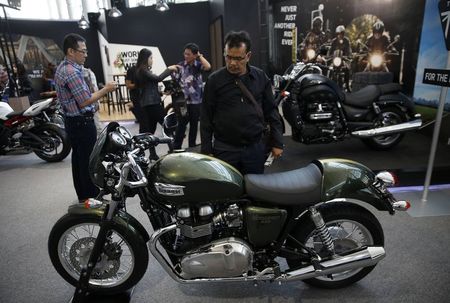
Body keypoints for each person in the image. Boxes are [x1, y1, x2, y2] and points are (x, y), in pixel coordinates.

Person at [200, 30, 283, 175]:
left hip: (255, 148)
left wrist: (277, 142)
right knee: (227, 193)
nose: (232, 63)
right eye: (228, 57)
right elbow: (206, 116)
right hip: (225, 149)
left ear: (248, 56)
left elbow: (271, 110)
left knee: (256, 190)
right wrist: (207, 150)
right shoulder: (214, 81)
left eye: (238, 58)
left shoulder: (260, 77)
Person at [55, 33, 117, 203]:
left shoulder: (64, 68)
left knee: (79, 159)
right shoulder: (71, 72)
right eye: (82, 51)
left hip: (74, 121)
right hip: (81, 122)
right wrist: (106, 89)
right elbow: (84, 101)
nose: (86, 54)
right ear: (70, 51)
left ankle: (84, 195)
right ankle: (91, 197)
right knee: (88, 161)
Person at [134, 48, 179, 159]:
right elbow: (158, 78)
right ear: (145, 59)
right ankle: (173, 149)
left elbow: (149, 87)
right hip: (152, 105)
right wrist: (169, 69)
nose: (152, 60)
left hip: (149, 104)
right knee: (166, 125)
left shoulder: (143, 71)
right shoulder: (143, 71)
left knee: (151, 131)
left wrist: (162, 92)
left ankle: (153, 154)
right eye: (151, 58)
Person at [172, 43, 211, 149]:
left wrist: (200, 56)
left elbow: (208, 67)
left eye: (188, 54)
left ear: (194, 55)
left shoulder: (198, 65)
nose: (186, 56)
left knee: (194, 125)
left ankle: (192, 147)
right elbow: (175, 79)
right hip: (183, 102)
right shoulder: (180, 66)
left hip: (196, 101)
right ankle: (176, 147)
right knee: (181, 125)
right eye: (185, 54)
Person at [125, 64, 143, 129]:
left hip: (145, 97)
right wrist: (139, 85)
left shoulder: (146, 70)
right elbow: (128, 85)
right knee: (143, 122)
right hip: (136, 97)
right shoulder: (132, 70)